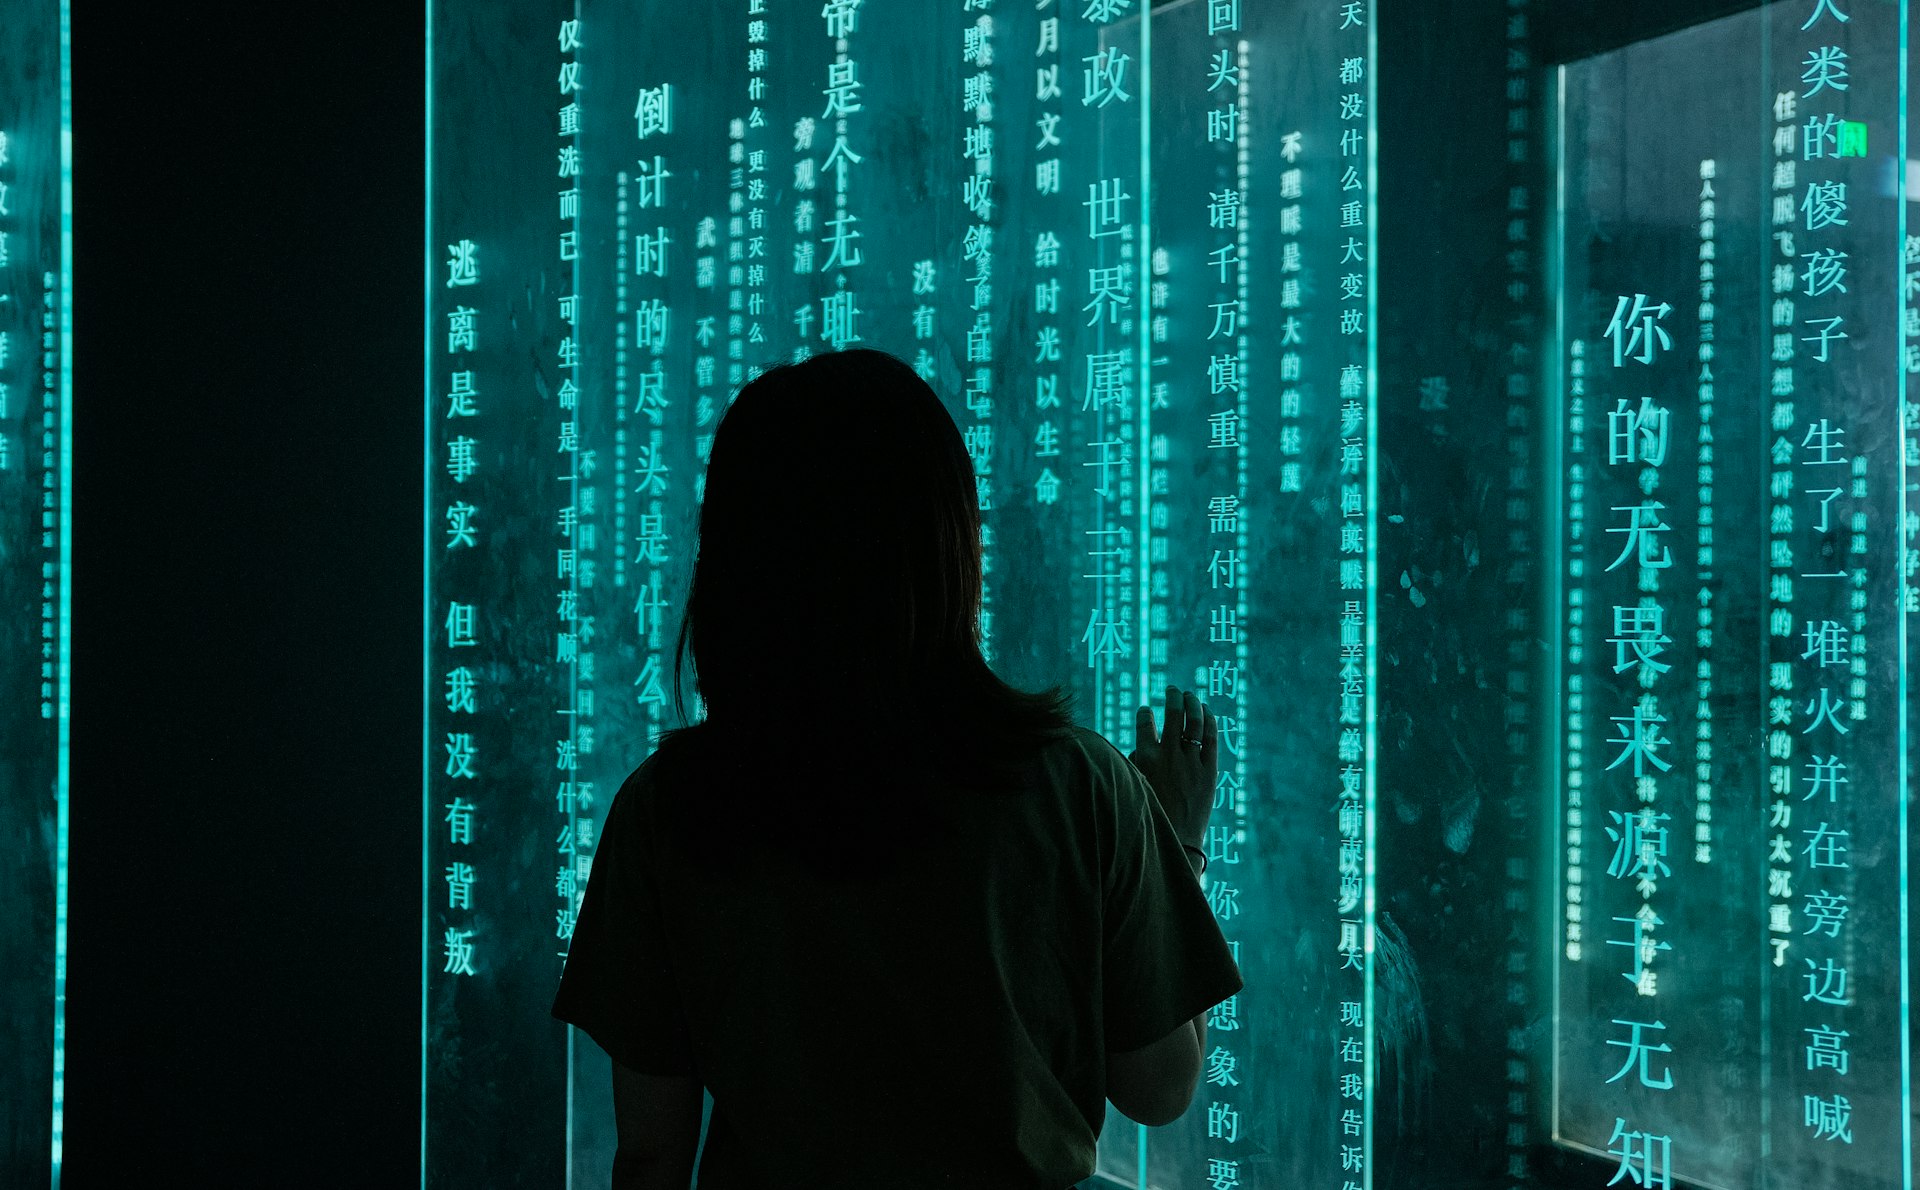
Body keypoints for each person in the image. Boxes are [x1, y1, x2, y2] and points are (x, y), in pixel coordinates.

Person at [550, 348, 1241, 1189]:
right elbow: (1160, 1086)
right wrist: (1176, 840)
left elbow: (652, 1154)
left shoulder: (668, 811)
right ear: (948, 552)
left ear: (731, 563)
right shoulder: (1080, 788)